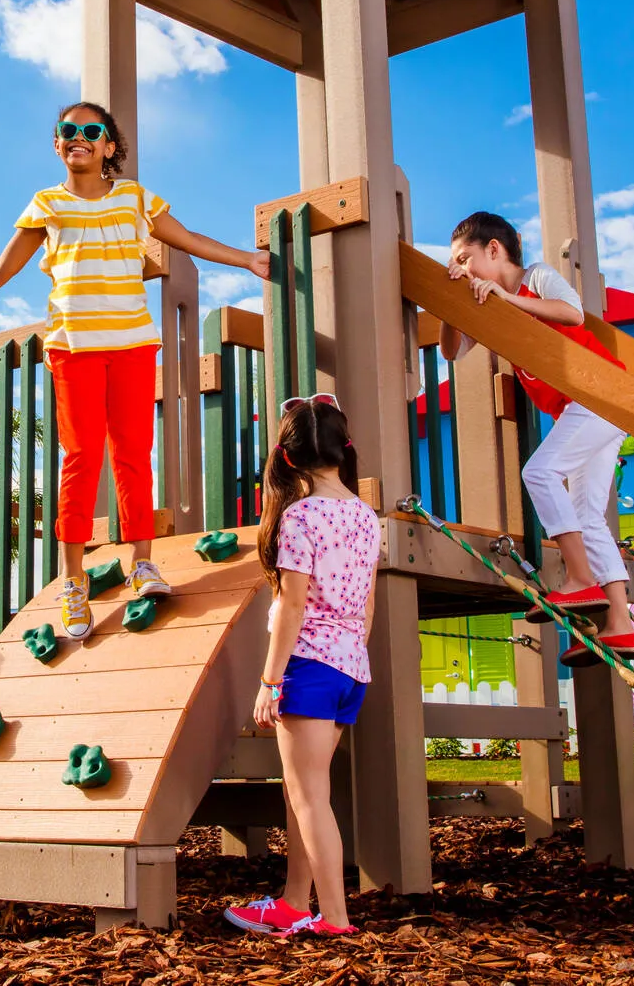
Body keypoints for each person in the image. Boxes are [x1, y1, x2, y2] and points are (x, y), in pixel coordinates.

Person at [0, 101, 267, 637]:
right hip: (73, 348)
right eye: (67, 130)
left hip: (131, 345)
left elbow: (191, 239)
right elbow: (1, 267)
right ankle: (73, 581)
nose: (77, 137)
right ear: (57, 143)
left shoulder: (133, 197)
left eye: (91, 131)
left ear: (108, 146)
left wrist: (246, 259)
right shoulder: (47, 204)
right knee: (81, 458)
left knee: (133, 453)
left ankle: (142, 564)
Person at [439, 210, 634, 666]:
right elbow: (451, 351)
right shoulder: (481, 303)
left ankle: (579, 578)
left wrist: (509, 300)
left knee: (541, 471)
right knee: (589, 513)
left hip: (600, 393)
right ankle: (621, 626)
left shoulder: (536, 277)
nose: (463, 269)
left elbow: (571, 314)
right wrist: (453, 299)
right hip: (583, 408)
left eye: (465, 259)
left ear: (494, 249)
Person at [224, 396, 373, 937]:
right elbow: (367, 605)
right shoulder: (364, 514)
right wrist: (353, 658)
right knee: (303, 791)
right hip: (349, 666)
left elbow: (291, 604)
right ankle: (292, 903)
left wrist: (270, 680)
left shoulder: (301, 517)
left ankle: (333, 918)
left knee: (309, 797)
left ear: (286, 459)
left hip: (308, 666)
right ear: (343, 450)